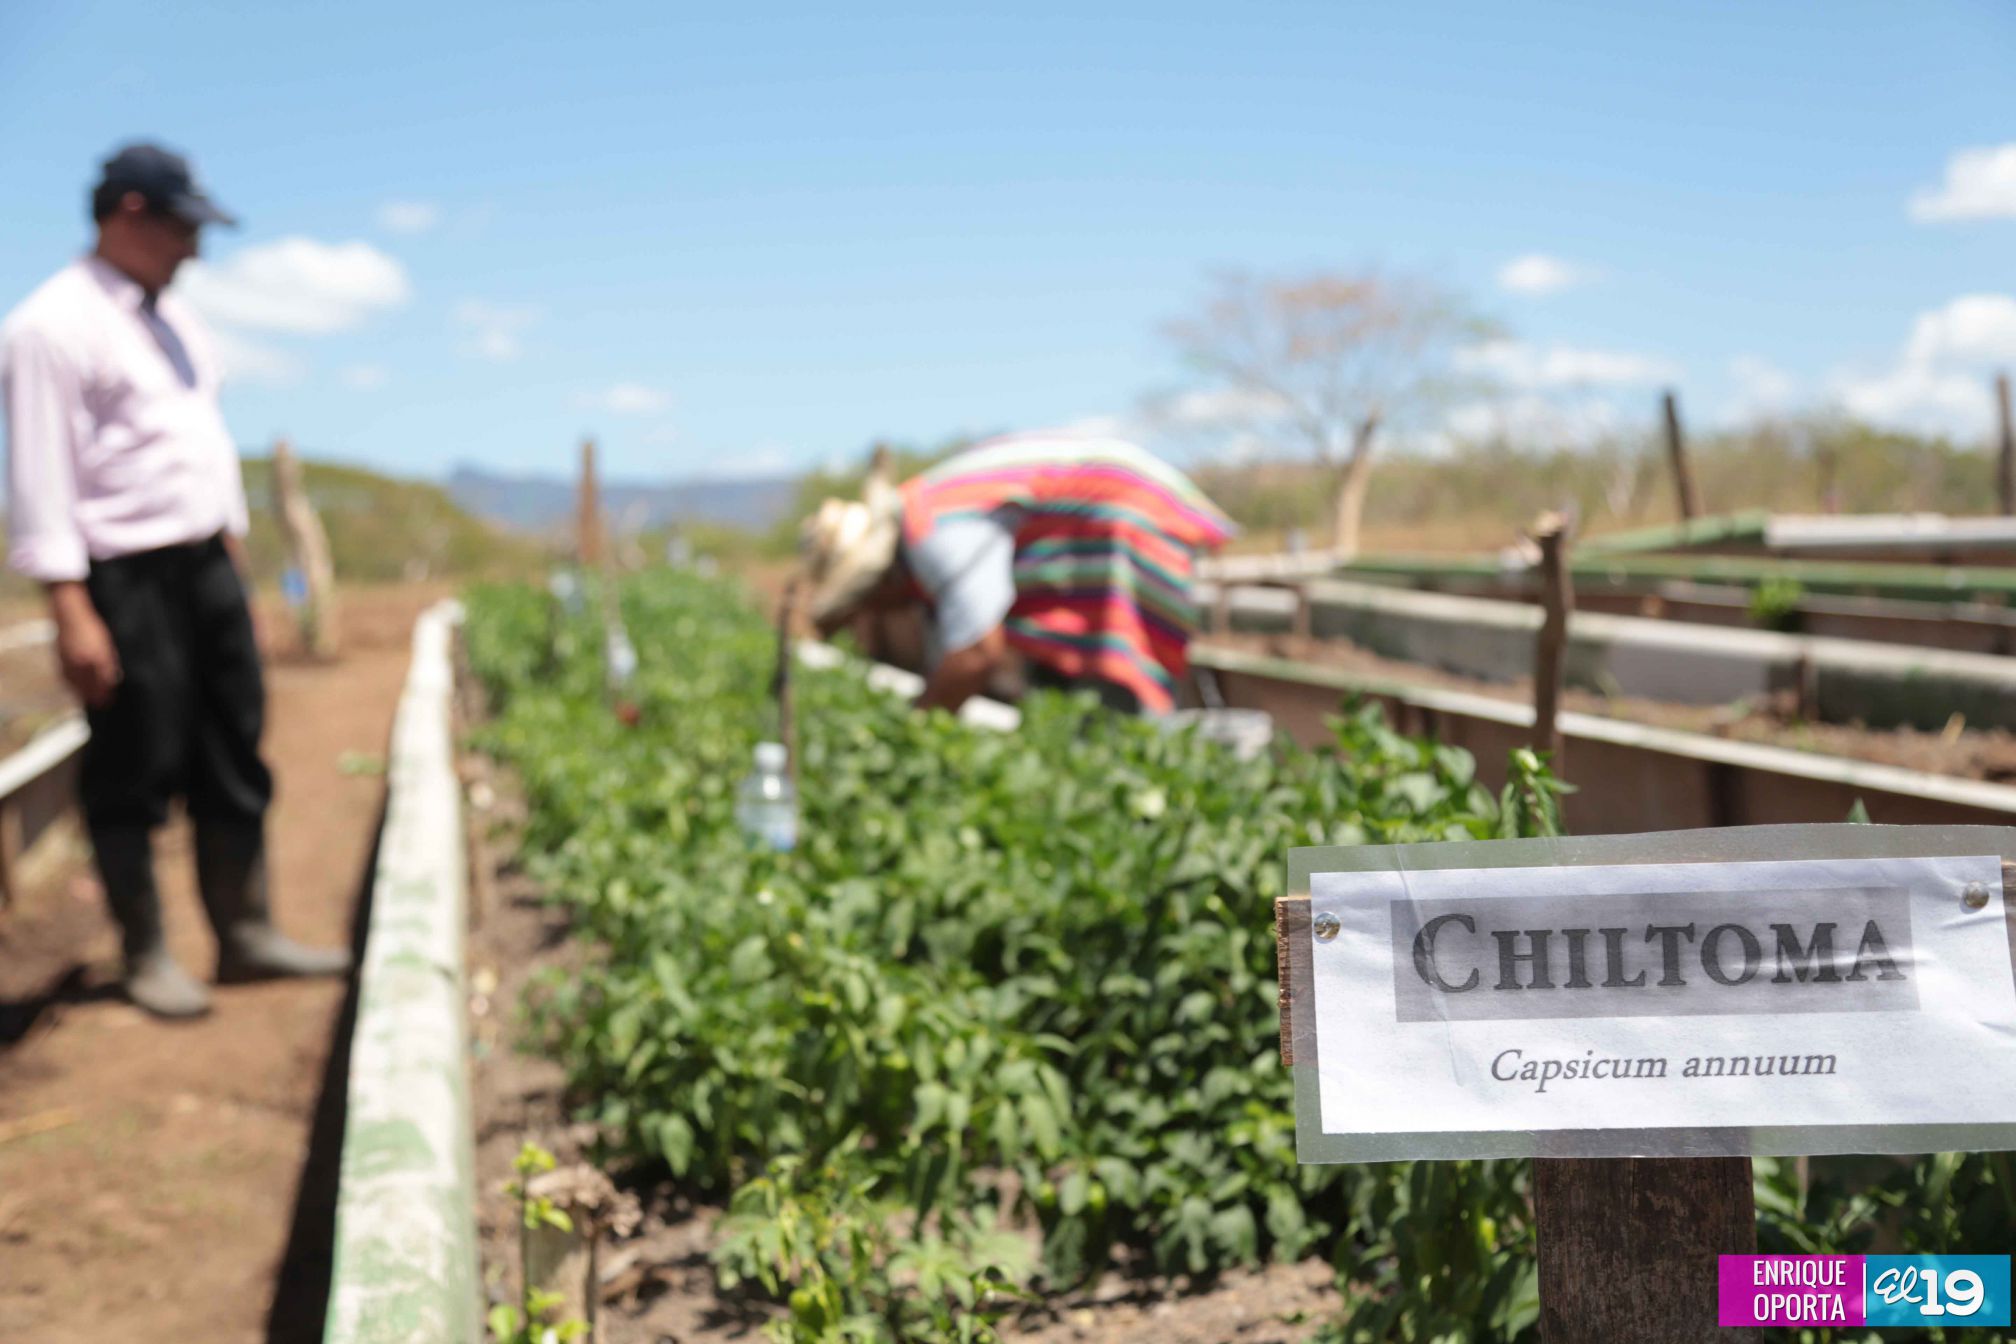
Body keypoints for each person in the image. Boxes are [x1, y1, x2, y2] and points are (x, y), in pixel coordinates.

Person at [0, 143, 349, 1020]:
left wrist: (236, 575)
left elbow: (201, 454)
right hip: (123, 575)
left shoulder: (173, 321)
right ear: (128, 212)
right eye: (182, 227)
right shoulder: (51, 327)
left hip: (203, 563)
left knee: (233, 744)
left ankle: (245, 932)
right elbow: (40, 481)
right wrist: (72, 609)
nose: (194, 248)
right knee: (132, 759)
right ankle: (146, 950)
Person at [802, 432, 1235, 714]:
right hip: (1111, 505)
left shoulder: (931, 534)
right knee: (1078, 694)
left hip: (1125, 514)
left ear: (881, 580)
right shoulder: (924, 511)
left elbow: (976, 653)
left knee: (1120, 674)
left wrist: (917, 727)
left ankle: (1144, 782)